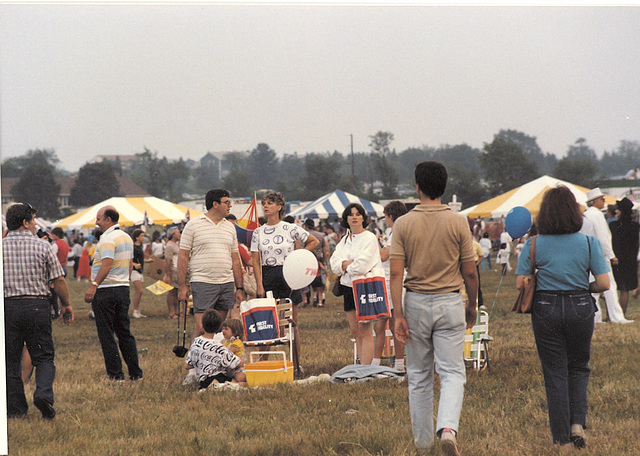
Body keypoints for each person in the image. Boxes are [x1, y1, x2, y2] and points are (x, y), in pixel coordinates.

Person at [390, 161, 478, 455]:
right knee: (453, 372)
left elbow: (395, 274)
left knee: (418, 376)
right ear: (444, 186)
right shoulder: (458, 222)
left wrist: (397, 314)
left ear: (417, 186)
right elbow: (470, 272)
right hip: (450, 300)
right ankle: (448, 428)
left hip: (414, 301)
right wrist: (472, 304)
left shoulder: (403, 224)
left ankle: (424, 443)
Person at [516, 185, 610, 448]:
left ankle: (560, 439)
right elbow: (603, 284)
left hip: (546, 307)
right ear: (575, 213)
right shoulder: (589, 243)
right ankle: (577, 423)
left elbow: (520, 284)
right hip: (580, 305)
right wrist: (583, 288)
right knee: (579, 366)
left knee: (555, 372)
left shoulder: (533, 244)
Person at [3, 203, 74, 419]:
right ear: (25, 223)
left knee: (10, 362)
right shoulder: (42, 247)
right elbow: (58, 279)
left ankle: (16, 410)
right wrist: (66, 304)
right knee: (43, 357)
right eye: (33, 220)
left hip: (8, 308)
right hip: (37, 306)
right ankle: (43, 393)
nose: (35, 224)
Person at [251, 191, 319, 366]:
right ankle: (263, 363)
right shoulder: (257, 232)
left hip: (289, 276)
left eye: (270, 203)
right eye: (264, 203)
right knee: (266, 323)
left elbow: (313, 241)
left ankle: (296, 364)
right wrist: (259, 285)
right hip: (267, 276)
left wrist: (298, 257)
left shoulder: (291, 228)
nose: (265, 206)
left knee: (291, 323)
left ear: (279, 207)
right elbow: (256, 261)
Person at [84, 205, 144, 381]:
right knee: (124, 332)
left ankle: (116, 375)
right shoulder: (126, 237)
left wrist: (94, 285)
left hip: (105, 291)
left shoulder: (108, 239)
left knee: (107, 335)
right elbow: (129, 263)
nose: (96, 222)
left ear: (108, 220)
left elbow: (107, 264)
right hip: (122, 288)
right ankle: (135, 373)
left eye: (98, 219)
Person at [178, 189, 244, 339]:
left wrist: (239, 287)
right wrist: (182, 285)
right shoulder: (193, 225)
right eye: (227, 202)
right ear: (215, 204)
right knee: (202, 329)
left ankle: (213, 361)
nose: (230, 206)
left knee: (218, 329)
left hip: (226, 283)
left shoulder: (229, 227)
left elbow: (235, 259)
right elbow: (183, 256)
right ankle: (192, 362)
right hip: (203, 282)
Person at [330, 203, 383, 366]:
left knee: (365, 329)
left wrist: (346, 266)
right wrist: (346, 265)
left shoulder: (370, 238)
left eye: (358, 214)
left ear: (363, 218)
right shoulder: (345, 240)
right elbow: (334, 263)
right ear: (346, 218)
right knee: (355, 331)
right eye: (351, 214)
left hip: (365, 287)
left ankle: (365, 368)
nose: (354, 217)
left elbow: (362, 265)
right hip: (347, 287)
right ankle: (361, 364)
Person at [580, 188, 632, 323]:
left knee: (593, 286)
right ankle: (616, 317)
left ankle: (595, 317)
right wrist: (611, 255)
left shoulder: (586, 216)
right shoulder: (597, 216)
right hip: (600, 256)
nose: (604, 202)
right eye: (602, 199)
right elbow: (603, 239)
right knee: (610, 286)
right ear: (595, 201)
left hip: (587, 255)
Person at [373, 200, 407, 370]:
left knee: (388, 323)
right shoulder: (398, 231)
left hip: (389, 280)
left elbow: (384, 256)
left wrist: (374, 243)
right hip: (392, 280)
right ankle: (396, 362)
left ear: (391, 216)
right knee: (391, 323)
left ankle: (390, 363)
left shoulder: (395, 234)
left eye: (386, 216)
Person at [185, 309, 247, 390]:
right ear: (218, 327)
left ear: (202, 325)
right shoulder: (219, 347)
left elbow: (187, 365)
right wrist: (242, 356)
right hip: (218, 378)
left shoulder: (196, 341)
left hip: (203, 382)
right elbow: (237, 363)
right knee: (244, 384)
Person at [609, 197, 639, 317]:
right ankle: (622, 313)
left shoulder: (613, 225)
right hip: (630, 259)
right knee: (625, 289)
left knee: (616, 288)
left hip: (617, 259)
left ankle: (618, 314)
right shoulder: (636, 226)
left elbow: (613, 243)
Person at [303, 218, 328, 307]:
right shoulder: (320, 235)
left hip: (308, 259)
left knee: (308, 280)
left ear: (306, 226)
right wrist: (324, 260)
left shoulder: (306, 235)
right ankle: (321, 298)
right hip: (319, 258)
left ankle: (310, 299)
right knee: (320, 280)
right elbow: (324, 249)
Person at [164, 226, 182, 319]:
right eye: (177, 232)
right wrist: (167, 275)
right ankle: (171, 312)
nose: (179, 234)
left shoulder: (176, 244)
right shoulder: (170, 245)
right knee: (172, 292)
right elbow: (167, 261)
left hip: (177, 270)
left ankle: (177, 311)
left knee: (176, 291)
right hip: (172, 270)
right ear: (173, 235)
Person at [131, 229, 149, 318]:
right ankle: (135, 310)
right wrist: (135, 265)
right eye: (142, 236)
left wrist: (147, 261)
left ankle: (137, 310)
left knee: (139, 292)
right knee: (139, 291)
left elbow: (140, 259)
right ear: (137, 237)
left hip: (139, 271)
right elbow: (129, 260)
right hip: (134, 271)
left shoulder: (140, 247)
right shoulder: (133, 247)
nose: (143, 237)